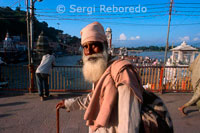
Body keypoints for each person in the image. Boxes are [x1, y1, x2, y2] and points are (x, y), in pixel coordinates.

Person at [56, 22, 170, 133]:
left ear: (105, 45)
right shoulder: (101, 69)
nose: (89, 51)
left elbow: (129, 121)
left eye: (94, 45)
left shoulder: (122, 72)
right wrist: (69, 103)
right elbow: (94, 98)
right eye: (85, 47)